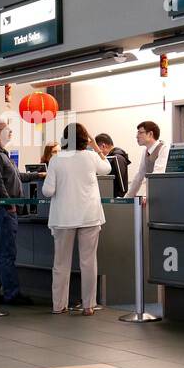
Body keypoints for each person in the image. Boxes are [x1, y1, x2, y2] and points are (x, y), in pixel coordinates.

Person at [41, 123, 112, 316]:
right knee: (88, 262)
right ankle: (88, 305)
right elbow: (107, 168)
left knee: (61, 263)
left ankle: (58, 305)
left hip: (64, 217)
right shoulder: (90, 157)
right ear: (85, 139)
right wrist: (96, 147)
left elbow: (48, 191)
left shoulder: (57, 160)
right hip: (89, 215)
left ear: (65, 139)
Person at [0, 119, 44, 305]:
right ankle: (11, 293)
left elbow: (16, 177)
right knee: (6, 253)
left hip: (4, 208)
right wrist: (9, 203)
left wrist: (38, 175)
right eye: (7, 129)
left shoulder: (1, 154)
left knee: (0, 252)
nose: (10, 132)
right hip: (4, 210)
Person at [125, 120, 168, 198]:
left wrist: (146, 195)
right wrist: (127, 197)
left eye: (140, 133)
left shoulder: (163, 148)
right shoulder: (146, 150)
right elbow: (139, 175)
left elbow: (157, 174)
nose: (137, 136)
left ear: (150, 134)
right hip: (154, 193)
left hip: (164, 194)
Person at [94, 133, 130, 199]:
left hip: (115, 199)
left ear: (103, 146)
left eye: (96, 149)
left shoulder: (116, 158)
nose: (97, 153)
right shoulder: (117, 157)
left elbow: (120, 185)